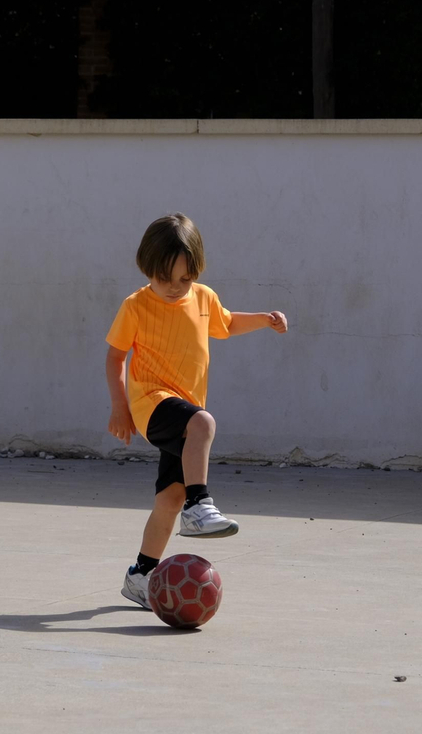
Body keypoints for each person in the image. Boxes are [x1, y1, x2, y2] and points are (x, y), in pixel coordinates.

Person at [104, 213, 287, 607]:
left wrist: (264, 320)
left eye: (184, 278)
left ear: (196, 272)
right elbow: (115, 357)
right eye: (164, 278)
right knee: (203, 422)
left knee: (169, 497)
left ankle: (140, 575)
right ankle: (199, 505)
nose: (175, 287)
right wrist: (120, 407)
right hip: (151, 403)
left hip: (183, 413)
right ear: (147, 268)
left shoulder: (204, 298)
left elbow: (226, 324)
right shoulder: (136, 306)